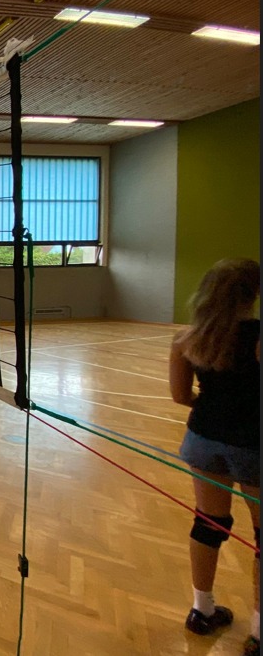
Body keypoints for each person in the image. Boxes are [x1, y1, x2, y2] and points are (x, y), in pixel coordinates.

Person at [169, 258, 259, 655]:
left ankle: (201, 610)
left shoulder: (188, 339)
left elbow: (180, 395)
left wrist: (213, 406)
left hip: (203, 440)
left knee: (209, 523)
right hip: (253, 444)